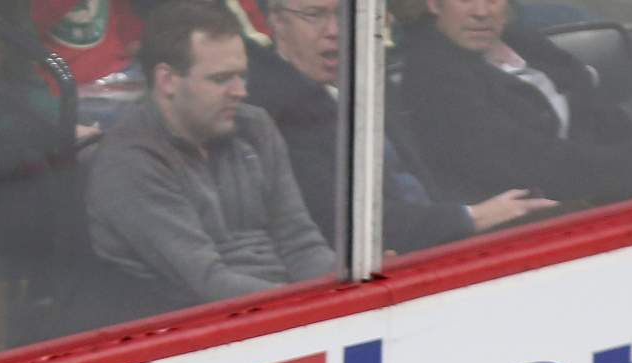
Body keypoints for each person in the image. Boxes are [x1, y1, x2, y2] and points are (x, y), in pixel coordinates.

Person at [85, 0, 335, 314]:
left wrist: (342, 293)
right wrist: (310, 307)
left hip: (283, 308)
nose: (240, 91)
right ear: (168, 81)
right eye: (221, 79)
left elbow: (301, 242)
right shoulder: (130, 161)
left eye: (241, 76)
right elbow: (207, 282)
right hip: (194, 332)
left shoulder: (255, 126)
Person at [245, 0, 555, 251]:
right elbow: (345, 223)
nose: (335, 30)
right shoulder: (273, 111)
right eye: (314, 15)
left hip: (441, 241)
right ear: (278, 21)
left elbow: (428, 178)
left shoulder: (370, 80)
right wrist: (472, 217)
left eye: (346, 13)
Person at [398, 0, 632, 212]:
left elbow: (592, 109)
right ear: (434, 4)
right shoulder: (432, 75)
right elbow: (528, 161)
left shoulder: (517, 39)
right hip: (538, 216)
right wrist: (625, 166)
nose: (481, 12)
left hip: (597, 185)